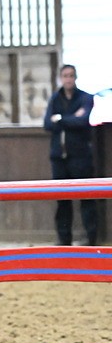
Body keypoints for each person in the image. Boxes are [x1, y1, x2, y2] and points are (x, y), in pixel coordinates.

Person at [44, 64, 98, 245]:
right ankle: (64, 240)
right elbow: (47, 124)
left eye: (71, 75)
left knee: (87, 198)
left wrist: (60, 118)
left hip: (80, 157)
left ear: (76, 78)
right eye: (65, 76)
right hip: (59, 158)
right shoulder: (55, 98)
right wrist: (70, 118)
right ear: (60, 78)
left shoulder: (85, 98)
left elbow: (82, 121)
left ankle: (91, 239)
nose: (68, 79)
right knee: (62, 200)